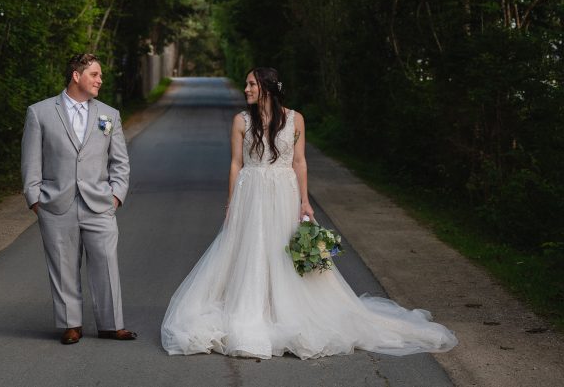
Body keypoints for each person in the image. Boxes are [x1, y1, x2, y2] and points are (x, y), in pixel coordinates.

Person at [160, 67, 458, 360]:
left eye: (251, 84)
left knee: (282, 249)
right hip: (251, 191)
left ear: (267, 87)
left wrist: (305, 201)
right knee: (250, 250)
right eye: (246, 84)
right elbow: (236, 163)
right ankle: (254, 308)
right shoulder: (240, 121)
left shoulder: (295, 118)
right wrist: (231, 202)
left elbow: (300, 162)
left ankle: (284, 308)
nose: (246, 89)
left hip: (284, 190)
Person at [21, 53, 137, 345]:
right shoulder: (40, 112)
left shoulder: (109, 115)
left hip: (100, 204)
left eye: (100, 76)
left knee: (106, 262)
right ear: (76, 76)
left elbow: (120, 162)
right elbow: (30, 161)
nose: (100, 80)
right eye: (95, 75)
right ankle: (71, 324)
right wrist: (35, 199)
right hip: (55, 204)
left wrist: (116, 197)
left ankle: (111, 325)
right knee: (63, 265)